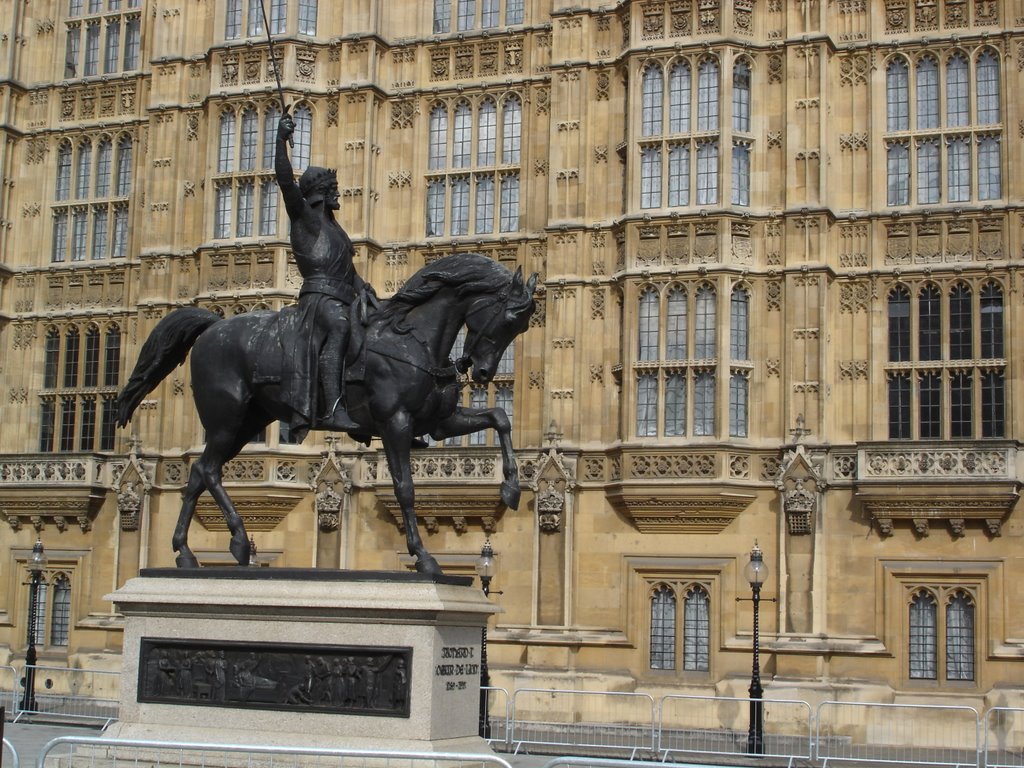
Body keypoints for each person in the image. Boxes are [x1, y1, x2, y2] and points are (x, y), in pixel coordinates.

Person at [275, 112, 372, 433]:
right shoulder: (305, 218)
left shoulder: (337, 231)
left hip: (343, 296)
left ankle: (376, 412)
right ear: (319, 191)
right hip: (319, 300)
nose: (336, 193)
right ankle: (332, 408)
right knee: (341, 327)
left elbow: (349, 272)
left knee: (384, 330)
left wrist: (365, 289)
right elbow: (285, 181)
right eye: (332, 188)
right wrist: (280, 140)